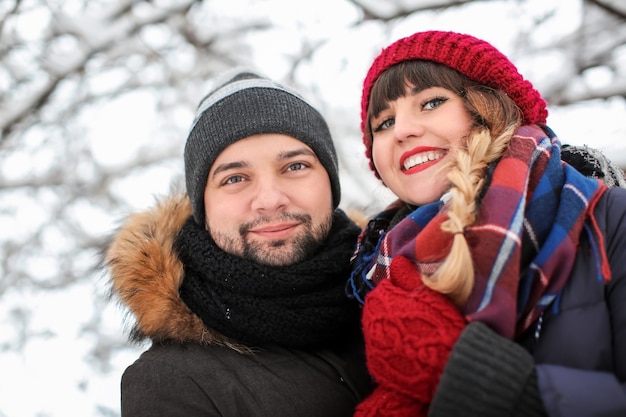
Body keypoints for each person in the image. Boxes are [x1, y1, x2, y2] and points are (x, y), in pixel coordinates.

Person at [346, 30, 626, 417]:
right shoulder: (370, 272)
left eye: (430, 102)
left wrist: (470, 375)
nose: (403, 130)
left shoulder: (612, 221)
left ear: (490, 107)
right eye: (383, 122)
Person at [104, 69, 373, 416]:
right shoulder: (171, 381)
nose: (270, 199)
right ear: (203, 207)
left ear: (330, 183)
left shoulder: (411, 289)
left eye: (295, 167)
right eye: (234, 178)